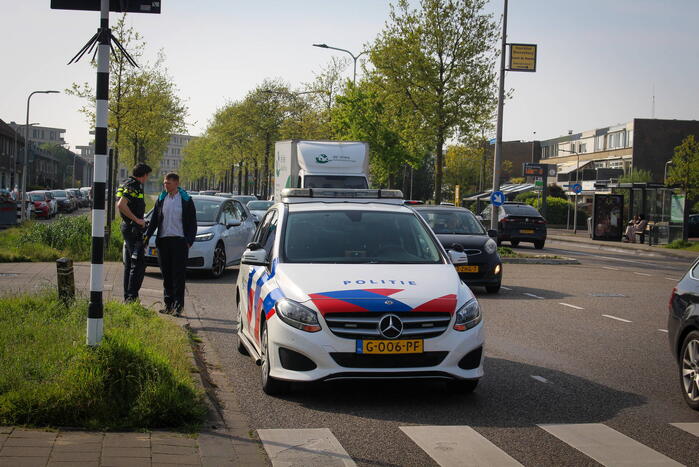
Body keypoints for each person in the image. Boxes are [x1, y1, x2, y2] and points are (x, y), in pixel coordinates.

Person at [145, 172, 197, 315]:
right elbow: (155, 219)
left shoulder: (186, 200)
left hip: (180, 242)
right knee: (166, 274)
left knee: (178, 275)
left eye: (168, 183)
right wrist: (147, 236)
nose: (165, 185)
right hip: (163, 241)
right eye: (164, 183)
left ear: (176, 183)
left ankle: (178, 306)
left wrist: (189, 241)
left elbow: (193, 222)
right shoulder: (162, 199)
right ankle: (168, 305)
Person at [117, 163, 152, 302]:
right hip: (133, 229)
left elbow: (120, 204)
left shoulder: (125, 183)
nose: (147, 178)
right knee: (138, 264)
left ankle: (128, 297)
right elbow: (121, 205)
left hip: (128, 227)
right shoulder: (134, 186)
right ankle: (131, 297)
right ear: (144, 175)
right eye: (147, 176)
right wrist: (137, 220)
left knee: (131, 263)